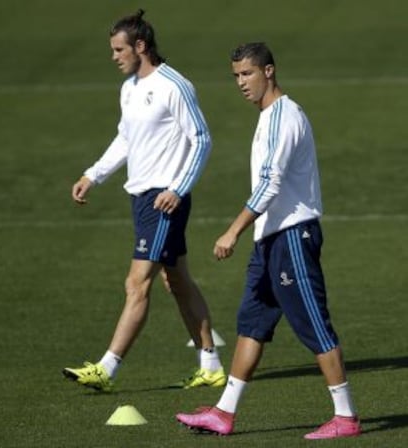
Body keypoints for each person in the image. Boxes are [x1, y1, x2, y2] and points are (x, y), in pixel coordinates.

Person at [176, 42, 361, 439]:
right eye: (236, 76)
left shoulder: (283, 117)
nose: (241, 83)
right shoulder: (266, 117)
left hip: (292, 236)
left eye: (247, 74)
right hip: (270, 242)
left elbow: (270, 184)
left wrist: (233, 230)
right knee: (252, 324)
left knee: (313, 324)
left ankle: (345, 416)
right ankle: (224, 413)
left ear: (269, 71)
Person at [62, 9, 226, 392]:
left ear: (141, 46)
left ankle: (107, 367)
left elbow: (201, 138)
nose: (114, 56)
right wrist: (93, 174)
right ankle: (211, 364)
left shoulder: (174, 85)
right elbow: (126, 138)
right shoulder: (130, 87)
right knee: (177, 280)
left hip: (164, 200)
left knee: (137, 283)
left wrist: (178, 189)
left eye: (119, 49)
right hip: (142, 197)